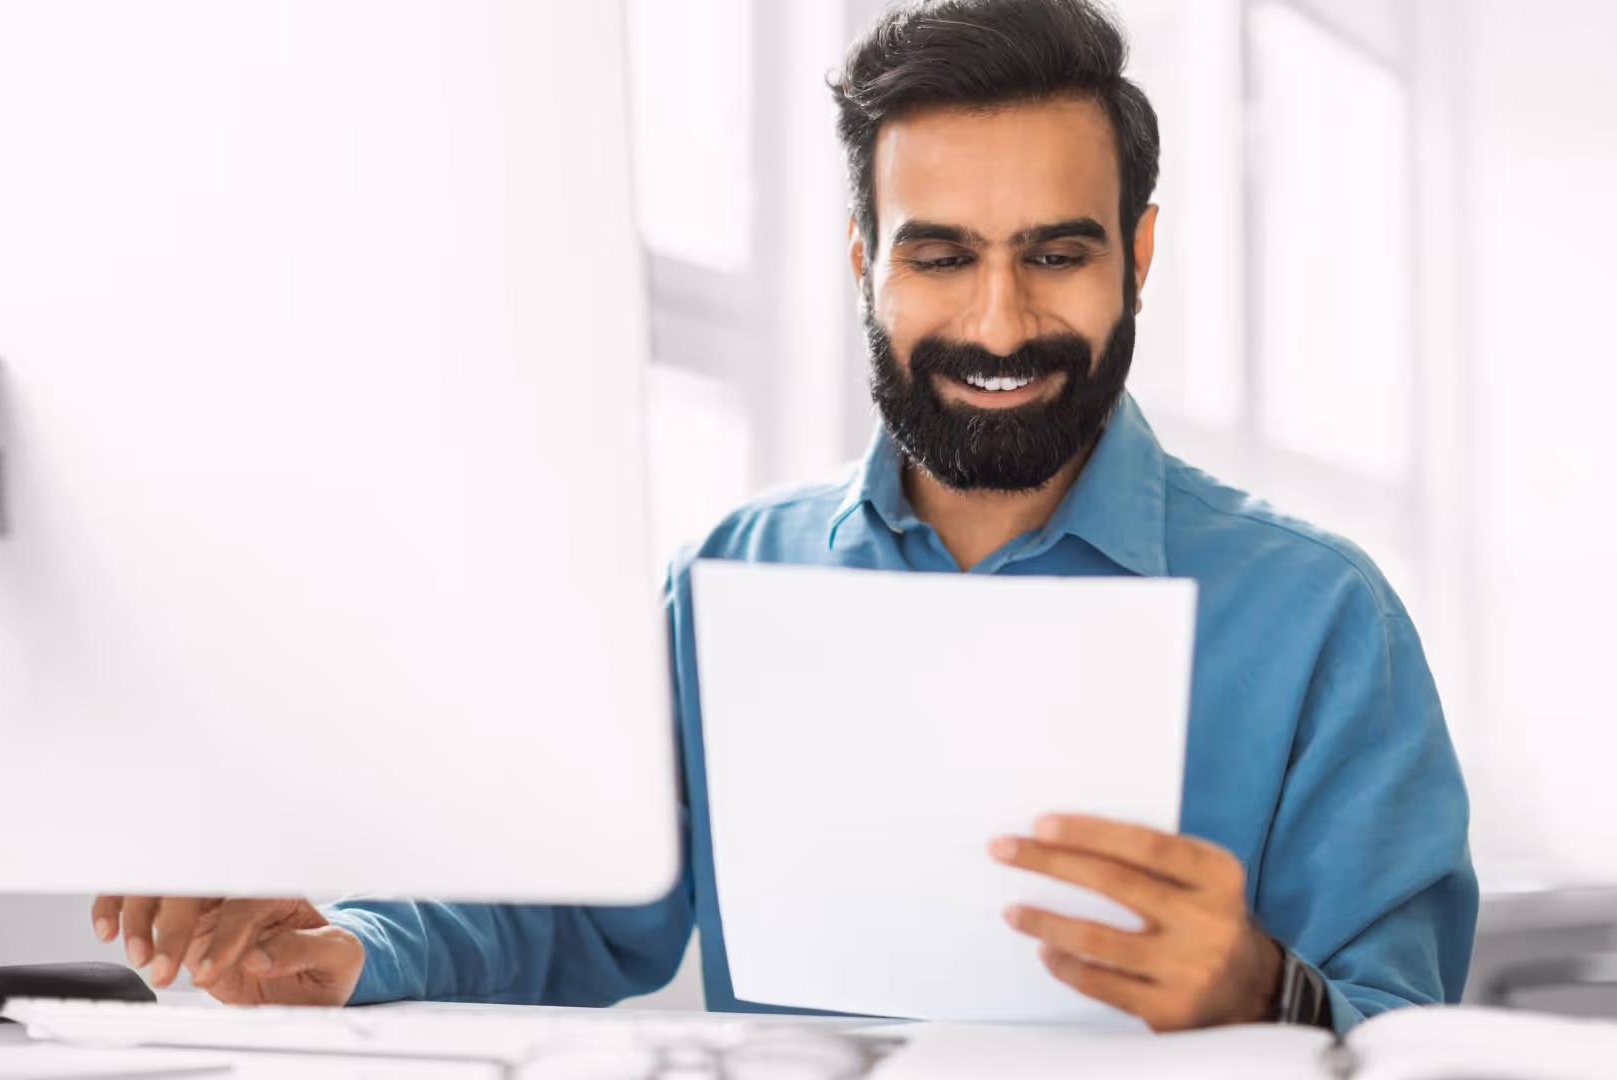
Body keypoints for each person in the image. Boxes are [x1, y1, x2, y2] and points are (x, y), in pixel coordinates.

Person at [91, 0, 1476, 1033]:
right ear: (866, 261)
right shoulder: (733, 577)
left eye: (1057, 254)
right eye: (941, 256)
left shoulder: (1324, 622)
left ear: (1142, 254)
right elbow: (578, 908)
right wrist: (348, 945)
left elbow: (1413, 1042)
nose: (999, 323)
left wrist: (1264, 992)